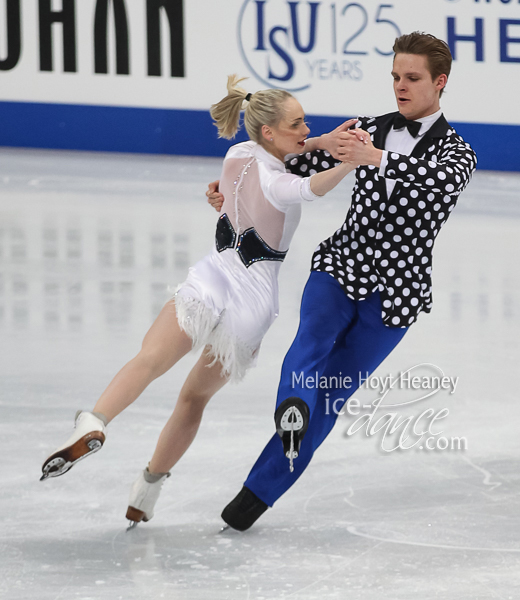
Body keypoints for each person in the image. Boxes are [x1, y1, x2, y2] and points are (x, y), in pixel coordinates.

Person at [40, 75, 365, 526]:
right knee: (192, 400)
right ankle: (148, 488)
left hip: (212, 280)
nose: (306, 128)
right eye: (299, 122)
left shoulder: (237, 156)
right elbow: (309, 188)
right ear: (270, 132)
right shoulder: (277, 180)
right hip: (251, 307)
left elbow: (273, 159)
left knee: (149, 359)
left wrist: (320, 141)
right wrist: (347, 160)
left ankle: (93, 423)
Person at [207, 32, 477, 531]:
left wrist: (374, 159)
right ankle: (291, 406)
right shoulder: (367, 128)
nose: (400, 85)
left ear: (440, 83)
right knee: (309, 345)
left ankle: (257, 493)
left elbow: (436, 180)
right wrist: (233, 188)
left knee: (331, 395)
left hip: (396, 295)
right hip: (341, 266)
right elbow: (287, 161)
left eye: (412, 78)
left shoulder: (458, 153)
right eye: (395, 76)